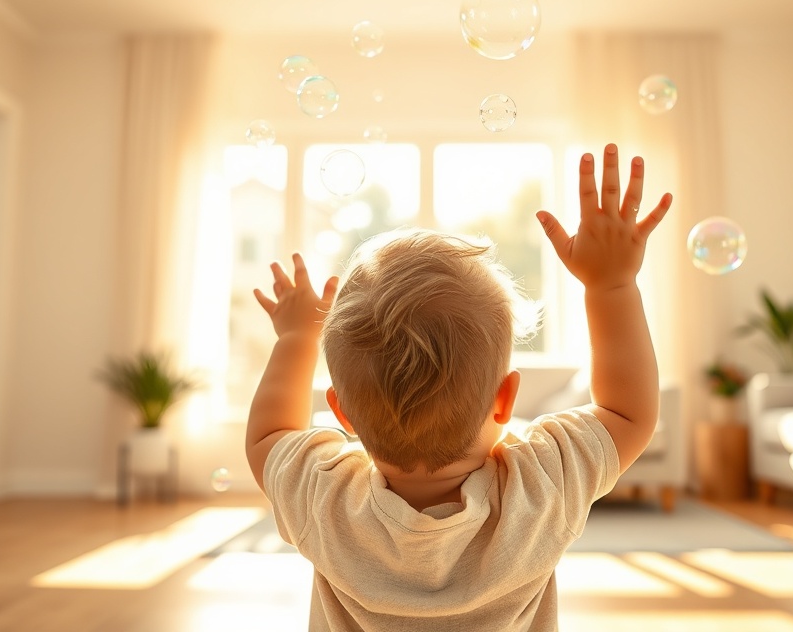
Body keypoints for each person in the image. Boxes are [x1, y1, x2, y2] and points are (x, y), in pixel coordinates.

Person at [245, 143, 673, 631]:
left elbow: (267, 435)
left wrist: (298, 338)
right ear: (505, 398)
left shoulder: (324, 498)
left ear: (342, 414)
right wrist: (611, 285)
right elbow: (629, 412)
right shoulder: (540, 487)